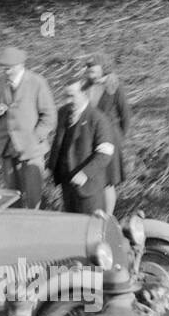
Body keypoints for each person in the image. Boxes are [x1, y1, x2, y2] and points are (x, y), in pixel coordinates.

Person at [0, 46, 55, 209]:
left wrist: (36, 137)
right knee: (11, 197)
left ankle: (35, 227)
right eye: (3, 68)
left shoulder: (37, 82)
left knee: (33, 196)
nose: (6, 72)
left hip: (32, 150)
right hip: (7, 148)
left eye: (9, 68)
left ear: (20, 66)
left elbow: (50, 115)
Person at [49, 81, 118, 215]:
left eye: (72, 96)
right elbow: (58, 143)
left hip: (89, 188)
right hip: (67, 184)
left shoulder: (98, 119)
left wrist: (85, 173)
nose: (68, 101)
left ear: (84, 94)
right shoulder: (63, 113)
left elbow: (105, 153)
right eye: (65, 96)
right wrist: (50, 167)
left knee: (91, 227)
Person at [81, 52, 132, 216]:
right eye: (89, 70)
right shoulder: (84, 86)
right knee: (92, 178)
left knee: (108, 182)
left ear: (103, 69)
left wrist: (119, 138)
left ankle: (108, 217)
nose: (90, 73)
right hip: (89, 139)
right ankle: (93, 214)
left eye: (93, 70)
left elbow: (125, 115)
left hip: (110, 139)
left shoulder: (114, 86)